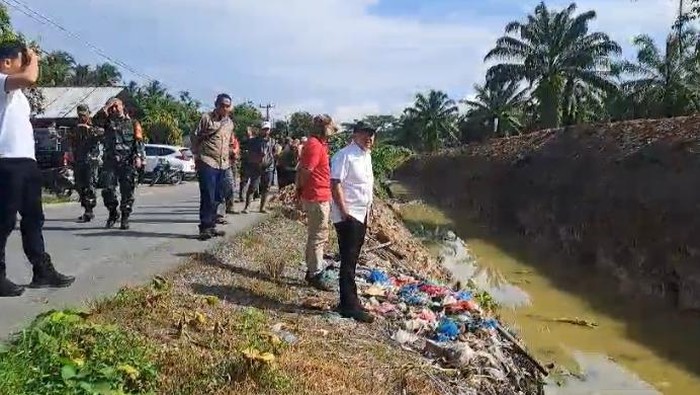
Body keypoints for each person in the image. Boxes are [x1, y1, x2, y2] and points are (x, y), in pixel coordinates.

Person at [0, 42, 74, 297]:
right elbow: (31, 75)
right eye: (22, 60)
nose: (27, 64)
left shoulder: (17, 94)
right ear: (7, 62)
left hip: (26, 161)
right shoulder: (0, 81)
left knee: (34, 219)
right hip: (6, 162)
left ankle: (42, 269)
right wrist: (33, 56)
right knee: (4, 221)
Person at [330, 122, 376, 323]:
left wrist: (369, 210)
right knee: (348, 261)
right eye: (366, 134)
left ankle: (348, 301)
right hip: (349, 216)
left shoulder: (366, 156)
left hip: (362, 212)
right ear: (355, 134)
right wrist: (345, 211)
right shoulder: (344, 155)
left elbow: (365, 186)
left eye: (372, 135)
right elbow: (335, 183)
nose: (370, 138)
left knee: (353, 259)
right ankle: (349, 305)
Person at [296, 114, 337, 291]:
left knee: (317, 235)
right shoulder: (314, 145)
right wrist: (300, 190)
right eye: (330, 127)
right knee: (318, 236)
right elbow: (306, 171)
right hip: (316, 196)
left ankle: (312, 269)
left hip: (319, 194)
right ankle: (315, 273)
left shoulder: (319, 144)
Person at [93, 98, 145, 230]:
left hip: (127, 161)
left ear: (123, 106)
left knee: (127, 191)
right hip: (110, 161)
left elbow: (139, 142)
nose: (114, 109)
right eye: (112, 107)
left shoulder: (133, 123)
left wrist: (139, 156)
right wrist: (107, 106)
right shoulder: (107, 123)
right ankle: (112, 213)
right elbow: (95, 121)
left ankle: (125, 217)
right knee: (107, 190)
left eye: (117, 106)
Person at [191, 93, 235, 240]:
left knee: (219, 196)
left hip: (223, 164)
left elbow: (229, 142)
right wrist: (196, 156)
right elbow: (194, 137)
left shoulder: (229, 123)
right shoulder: (206, 118)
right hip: (208, 161)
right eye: (222, 105)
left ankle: (212, 225)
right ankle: (204, 227)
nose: (224, 108)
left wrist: (232, 153)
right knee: (208, 196)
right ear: (216, 105)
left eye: (227, 106)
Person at [66, 104, 102, 223]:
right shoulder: (75, 127)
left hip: (91, 160)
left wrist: (89, 129)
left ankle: (89, 210)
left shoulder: (94, 126)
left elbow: (101, 134)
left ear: (88, 114)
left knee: (90, 185)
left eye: (84, 115)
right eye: (79, 115)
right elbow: (69, 140)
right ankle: (86, 207)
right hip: (79, 160)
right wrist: (70, 152)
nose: (81, 117)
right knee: (79, 185)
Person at [242, 121, 275, 214]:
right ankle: (247, 207)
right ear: (261, 130)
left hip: (268, 166)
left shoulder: (272, 141)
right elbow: (249, 152)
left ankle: (262, 207)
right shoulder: (254, 141)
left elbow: (274, 152)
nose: (265, 131)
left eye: (267, 129)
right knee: (253, 186)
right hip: (256, 166)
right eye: (264, 129)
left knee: (266, 187)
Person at [238, 126, 254, 202]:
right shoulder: (243, 140)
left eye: (248, 131)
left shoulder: (254, 140)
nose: (247, 132)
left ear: (251, 132)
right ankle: (242, 196)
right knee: (244, 180)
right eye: (246, 131)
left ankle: (254, 195)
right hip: (245, 162)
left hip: (253, 163)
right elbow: (240, 149)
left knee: (254, 180)